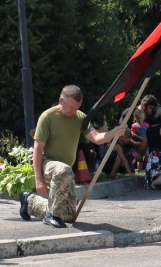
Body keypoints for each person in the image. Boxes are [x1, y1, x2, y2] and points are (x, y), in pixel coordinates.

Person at [19, 85, 126, 227]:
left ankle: (29, 200)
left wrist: (114, 132)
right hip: (47, 163)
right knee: (62, 170)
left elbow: (96, 138)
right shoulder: (47, 117)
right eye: (71, 107)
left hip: (66, 171)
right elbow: (37, 150)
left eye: (77, 107)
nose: (74, 111)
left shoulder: (80, 117)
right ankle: (51, 215)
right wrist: (39, 180)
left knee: (68, 216)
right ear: (61, 101)